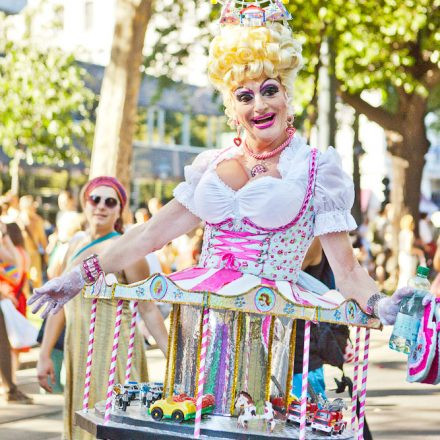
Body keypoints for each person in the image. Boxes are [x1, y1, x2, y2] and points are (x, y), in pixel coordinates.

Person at [30, 12, 413, 393]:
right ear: (233, 109)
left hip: (268, 325)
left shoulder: (315, 170)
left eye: (269, 90)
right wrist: (76, 277)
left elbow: (346, 272)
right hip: (202, 321)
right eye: (245, 96)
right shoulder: (211, 166)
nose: (259, 106)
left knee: (254, 418)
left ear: (286, 94)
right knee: (195, 412)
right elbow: (149, 234)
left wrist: (381, 305)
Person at [35, 177, 168, 440]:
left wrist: (173, 358)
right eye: (95, 199)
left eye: (110, 201)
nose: (101, 206)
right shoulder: (73, 244)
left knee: (113, 426)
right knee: (81, 426)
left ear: (120, 210)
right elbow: (60, 303)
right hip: (79, 350)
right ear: (85, 203)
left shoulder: (128, 248)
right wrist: (44, 354)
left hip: (114, 354)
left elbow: (148, 308)